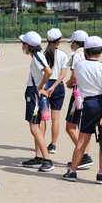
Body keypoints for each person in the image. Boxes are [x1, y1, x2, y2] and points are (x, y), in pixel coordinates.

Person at [63, 36, 102, 184]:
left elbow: (74, 80)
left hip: (89, 103)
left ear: (85, 50)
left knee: (83, 139)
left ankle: (72, 171)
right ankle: (101, 174)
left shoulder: (80, 65)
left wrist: (69, 83)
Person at [20, 31, 54, 172]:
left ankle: (47, 160)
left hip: (34, 93)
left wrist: (40, 87)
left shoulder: (37, 57)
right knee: (38, 126)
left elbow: (48, 72)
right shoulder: (37, 55)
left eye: (23, 44)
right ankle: (39, 157)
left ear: (27, 46)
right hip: (34, 92)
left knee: (34, 128)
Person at [64, 30, 94, 169]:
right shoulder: (90, 53)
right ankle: (84, 155)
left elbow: (75, 76)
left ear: (75, 44)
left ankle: (84, 156)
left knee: (70, 127)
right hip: (90, 94)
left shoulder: (77, 55)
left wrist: (69, 83)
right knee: (84, 128)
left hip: (78, 94)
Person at [42, 28, 68, 154]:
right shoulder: (63, 54)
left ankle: (41, 143)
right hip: (58, 86)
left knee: (43, 118)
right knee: (55, 118)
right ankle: (53, 145)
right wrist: (54, 86)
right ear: (60, 40)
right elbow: (63, 74)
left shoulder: (41, 53)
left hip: (44, 85)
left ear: (47, 39)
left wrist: (47, 86)